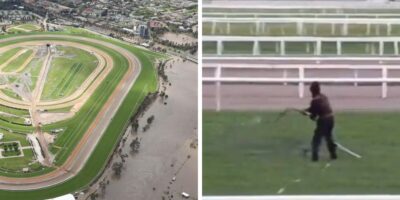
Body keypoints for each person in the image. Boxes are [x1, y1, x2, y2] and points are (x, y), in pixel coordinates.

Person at [301, 81, 337, 162]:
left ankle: (315, 157)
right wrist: (306, 110)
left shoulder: (314, 100)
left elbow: (313, 115)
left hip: (324, 120)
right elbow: (313, 109)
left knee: (316, 139)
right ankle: (333, 154)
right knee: (328, 137)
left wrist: (306, 114)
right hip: (331, 118)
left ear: (312, 91)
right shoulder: (324, 97)